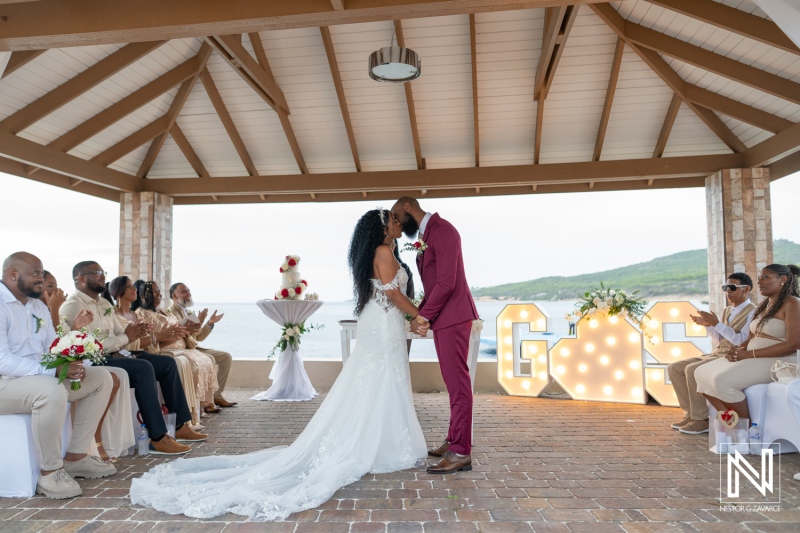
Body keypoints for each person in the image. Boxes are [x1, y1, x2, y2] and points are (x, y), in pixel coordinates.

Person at [130, 208, 427, 520]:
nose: (398, 224)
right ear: (381, 228)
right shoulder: (382, 250)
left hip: (384, 324)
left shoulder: (385, 251)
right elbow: (392, 293)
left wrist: (411, 315)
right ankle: (380, 444)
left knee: (382, 380)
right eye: (394, 221)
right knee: (379, 379)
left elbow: (391, 294)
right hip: (382, 324)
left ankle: (382, 440)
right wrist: (419, 314)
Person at [0, 252, 116, 499]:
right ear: (12, 275)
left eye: (42, 274)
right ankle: (50, 472)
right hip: (5, 384)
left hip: (32, 379)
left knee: (100, 378)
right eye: (35, 274)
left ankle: (76, 457)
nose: (41, 279)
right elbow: (2, 361)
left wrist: (71, 362)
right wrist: (51, 371)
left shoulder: (37, 306)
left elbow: (52, 346)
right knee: (50, 389)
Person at [60, 261, 206, 455]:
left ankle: (180, 425)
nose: (102, 276)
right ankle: (158, 437)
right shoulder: (73, 306)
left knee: (167, 363)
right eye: (96, 273)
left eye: (103, 272)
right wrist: (125, 338)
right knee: (143, 368)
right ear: (80, 278)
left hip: (115, 352)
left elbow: (122, 333)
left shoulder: (103, 303)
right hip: (94, 359)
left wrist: (135, 332)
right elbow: (87, 345)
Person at [392, 196, 479, 474]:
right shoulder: (426, 234)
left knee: (458, 385)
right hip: (445, 318)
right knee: (453, 384)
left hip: (453, 317)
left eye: (396, 215)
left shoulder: (443, 231)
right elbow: (434, 281)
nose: (395, 222)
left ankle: (461, 452)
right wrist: (425, 311)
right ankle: (454, 439)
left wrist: (423, 315)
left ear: (408, 207)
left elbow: (446, 282)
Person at [695, 264, 800, 424]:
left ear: (783, 280)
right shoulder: (763, 306)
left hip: (781, 360)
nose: (760, 282)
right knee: (701, 373)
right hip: (753, 356)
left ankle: (750, 429)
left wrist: (749, 354)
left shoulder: (793, 303)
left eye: (766, 277)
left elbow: (793, 344)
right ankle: (732, 420)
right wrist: (737, 349)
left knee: (721, 381)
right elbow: (750, 337)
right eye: (759, 278)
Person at [104, 276, 203, 428]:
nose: (134, 289)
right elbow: (126, 342)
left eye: (133, 286)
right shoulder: (114, 315)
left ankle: (181, 424)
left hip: (139, 352)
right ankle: (158, 433)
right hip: (123, 354)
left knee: (168, 363)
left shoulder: (135, 315)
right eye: (129, 287)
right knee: (146, 366)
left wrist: (166, 334)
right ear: (118, 293)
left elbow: (145, 340)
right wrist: (159, 336)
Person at [668, 273, 756, 435]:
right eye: (725, 288)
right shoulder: (727, 310)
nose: (728, 291)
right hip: (717, 353)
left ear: (746, 289)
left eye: (732, 288)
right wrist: (709, 326)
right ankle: (691, 414)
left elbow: (740, 340)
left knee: (692, 369)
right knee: (674, 368)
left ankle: (701, 419)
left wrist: (716, 323)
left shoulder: (753, 313)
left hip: (732, 356)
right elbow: (720, 340)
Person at [133, 281, 220, 415]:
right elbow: (157, 337)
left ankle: (201, 406)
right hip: (165, 349)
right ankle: (189, 411)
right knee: (193, 362)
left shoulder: (162, 310)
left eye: (159, 291)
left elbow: (187, 330)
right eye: (155, 292)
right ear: (144, 294)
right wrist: (187, 328)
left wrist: (201, 323)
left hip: (182, 346)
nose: (160, 294)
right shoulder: (144, 313)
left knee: (206, 359)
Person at [166, 282, 237, 408]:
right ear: (174, 296)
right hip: (183, 350)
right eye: (183, 291)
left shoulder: (189, 312)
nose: (188, 294)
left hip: (194, 347)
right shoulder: (169, 312)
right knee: (209, 359)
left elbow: (199, 337)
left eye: (188, 291)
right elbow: (178, 332)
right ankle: (205, 401)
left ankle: (217, 395)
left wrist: (209, 323)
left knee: (226, 357)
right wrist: (198, 321)